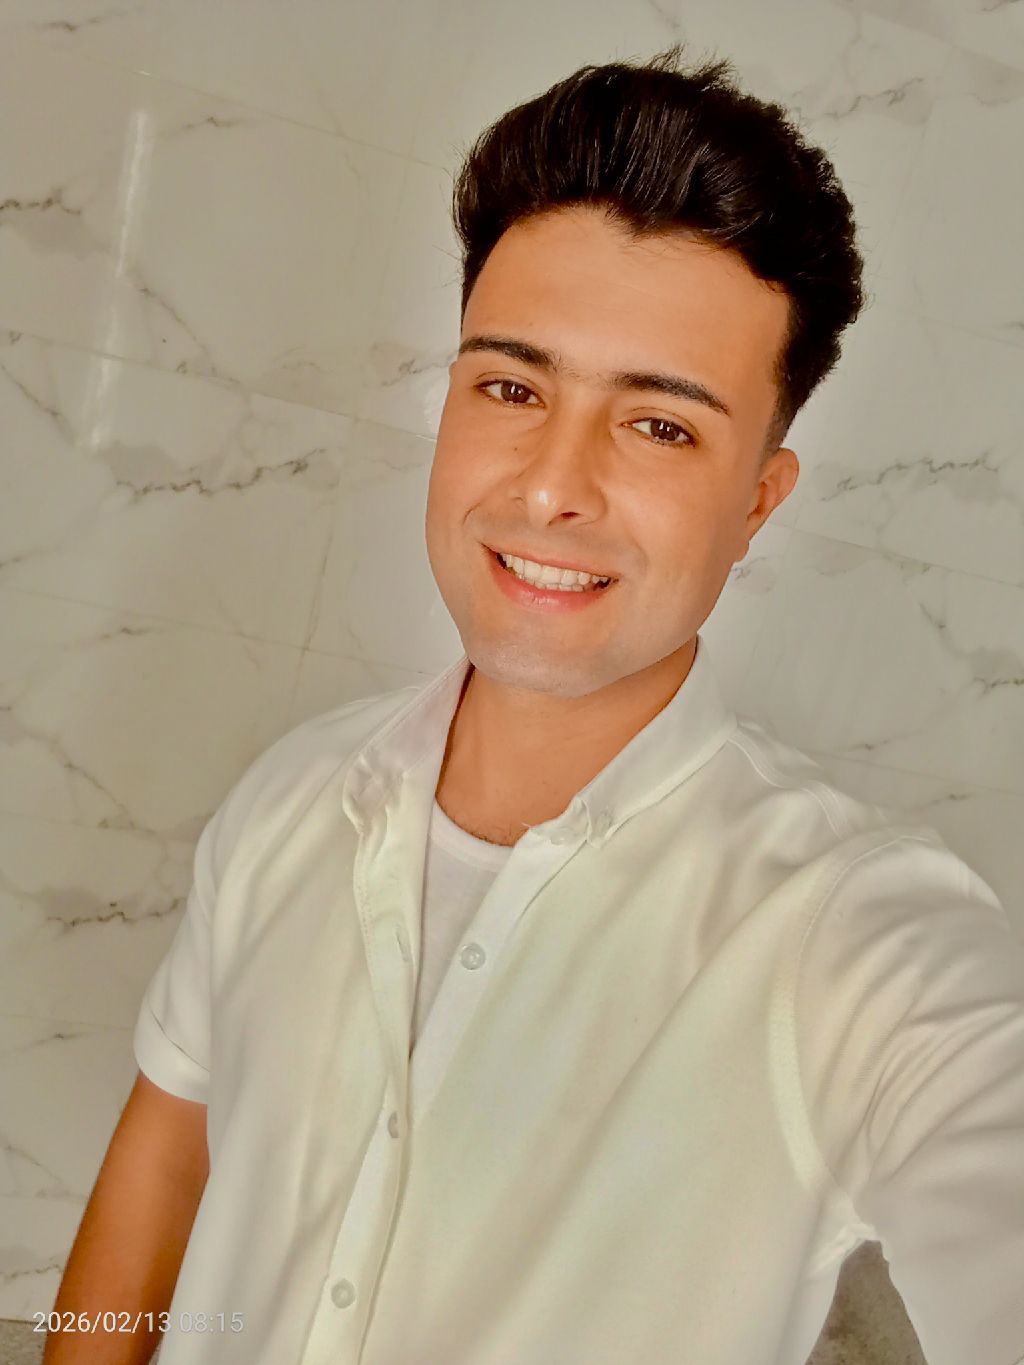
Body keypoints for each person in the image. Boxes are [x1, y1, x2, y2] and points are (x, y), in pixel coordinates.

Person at [45, 46, 1024, 1365]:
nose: (553, 485)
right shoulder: (290, 798)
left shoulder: (862, 938)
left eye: (660, 426)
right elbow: (165, 1168)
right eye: (512, 388)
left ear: (758, 500)